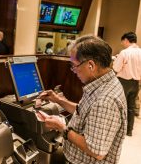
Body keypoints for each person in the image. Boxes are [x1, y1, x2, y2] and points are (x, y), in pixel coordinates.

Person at [35, 35, 127, 164]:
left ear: (91, 65)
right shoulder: (100, 83)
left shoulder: (105, 101)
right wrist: (59, 100)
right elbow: (84, 111)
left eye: (74, 65)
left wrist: (63, 128)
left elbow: (96, 151)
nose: (73, 71)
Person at [113, 32, 141, 136]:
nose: (122, 44)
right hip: (136, 83)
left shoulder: (124, 52)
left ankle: (119, 130)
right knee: (131, 107)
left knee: (120, 106)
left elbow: (116, 68)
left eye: (123, 41)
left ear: (126, 40)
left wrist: (116, 60)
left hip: (123, 82)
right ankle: (129, 131)